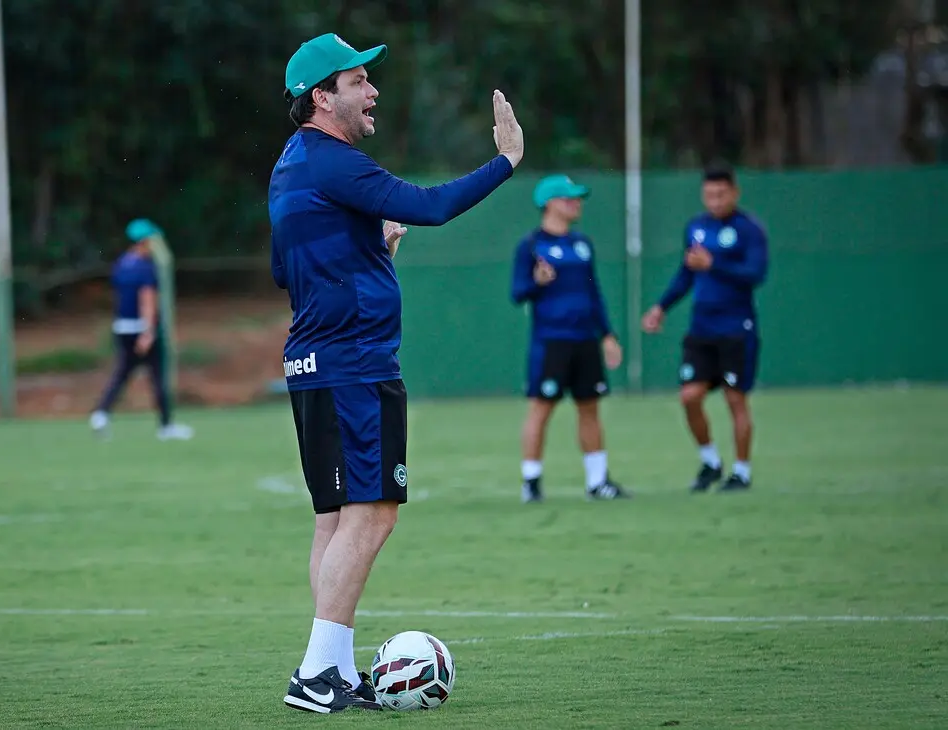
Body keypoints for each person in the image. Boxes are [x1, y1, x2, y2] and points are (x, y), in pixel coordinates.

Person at [269, 32, 524, 713]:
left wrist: (369, 249)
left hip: (316, 362)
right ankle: (316, 674)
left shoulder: (291, 165)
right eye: (358, 81)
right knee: (375, 512)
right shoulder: (333, 161)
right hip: (354, 364)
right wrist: (505, 161)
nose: (372, 90)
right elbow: (430, 206)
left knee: (334, 520)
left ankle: (332, 669)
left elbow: (286, 270)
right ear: (322, 98)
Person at [641, 161, 768, 492]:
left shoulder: (749, 230)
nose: (715, 201)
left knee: (735, 399)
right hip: (702, 329)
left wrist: (715, 264)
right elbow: (687, 273)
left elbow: (756, 274)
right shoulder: (696, 228)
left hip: (736, 328)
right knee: (689, 397)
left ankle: (741, 472)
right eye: (709, 195)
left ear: (735, 192)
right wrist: (661, 307)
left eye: (721, 194)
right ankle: (710, 462)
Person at [512, 175, 628, 503]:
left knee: (589, 407)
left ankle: (598, 482)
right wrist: (537, 282)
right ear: (549, 203)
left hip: (585, 340)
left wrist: (607, 334)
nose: (576, 204)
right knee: (541, 408)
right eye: (569, 198)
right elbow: (517, 293)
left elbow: (594, 293)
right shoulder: (531, 245)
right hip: (551, 341)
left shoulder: (582, 244)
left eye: (577, 198)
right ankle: (531, 482)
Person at [89, 218, 193, 441]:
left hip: (121, 327)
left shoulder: (121, 264)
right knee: (158, 375)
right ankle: (166, 426)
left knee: (122, 373)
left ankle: (100, 414)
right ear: (144, 241)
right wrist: (148, 332)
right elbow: (147, 300)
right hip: (141, 329)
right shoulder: (146, 267)